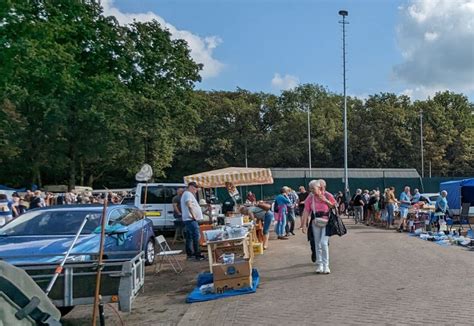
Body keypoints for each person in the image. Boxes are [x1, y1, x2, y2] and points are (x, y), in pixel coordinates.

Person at [301, 179, 336, 274]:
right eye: (310, 189)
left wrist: (325, 200)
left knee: (324, 243)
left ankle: (326, 265)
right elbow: (306, 211)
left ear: (319, 188)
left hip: (327, 221)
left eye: (313, 188)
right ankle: (320, 265)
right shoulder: (310, 197)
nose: (311, 190)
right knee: (317, 243)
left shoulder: (327, 195)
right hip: (315, 222)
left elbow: (334, 206)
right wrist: (304, 224)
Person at [181, 182, 205, 261]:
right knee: (195, 237)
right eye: (195, 189)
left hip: (189, 219)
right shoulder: (187, 194)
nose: (196, 191)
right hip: (190, 219)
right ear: (191, 187)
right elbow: (189, 205)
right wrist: (194, 216)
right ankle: (196, 254)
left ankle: (191, 254)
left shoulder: (186, 194)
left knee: (190, 237)